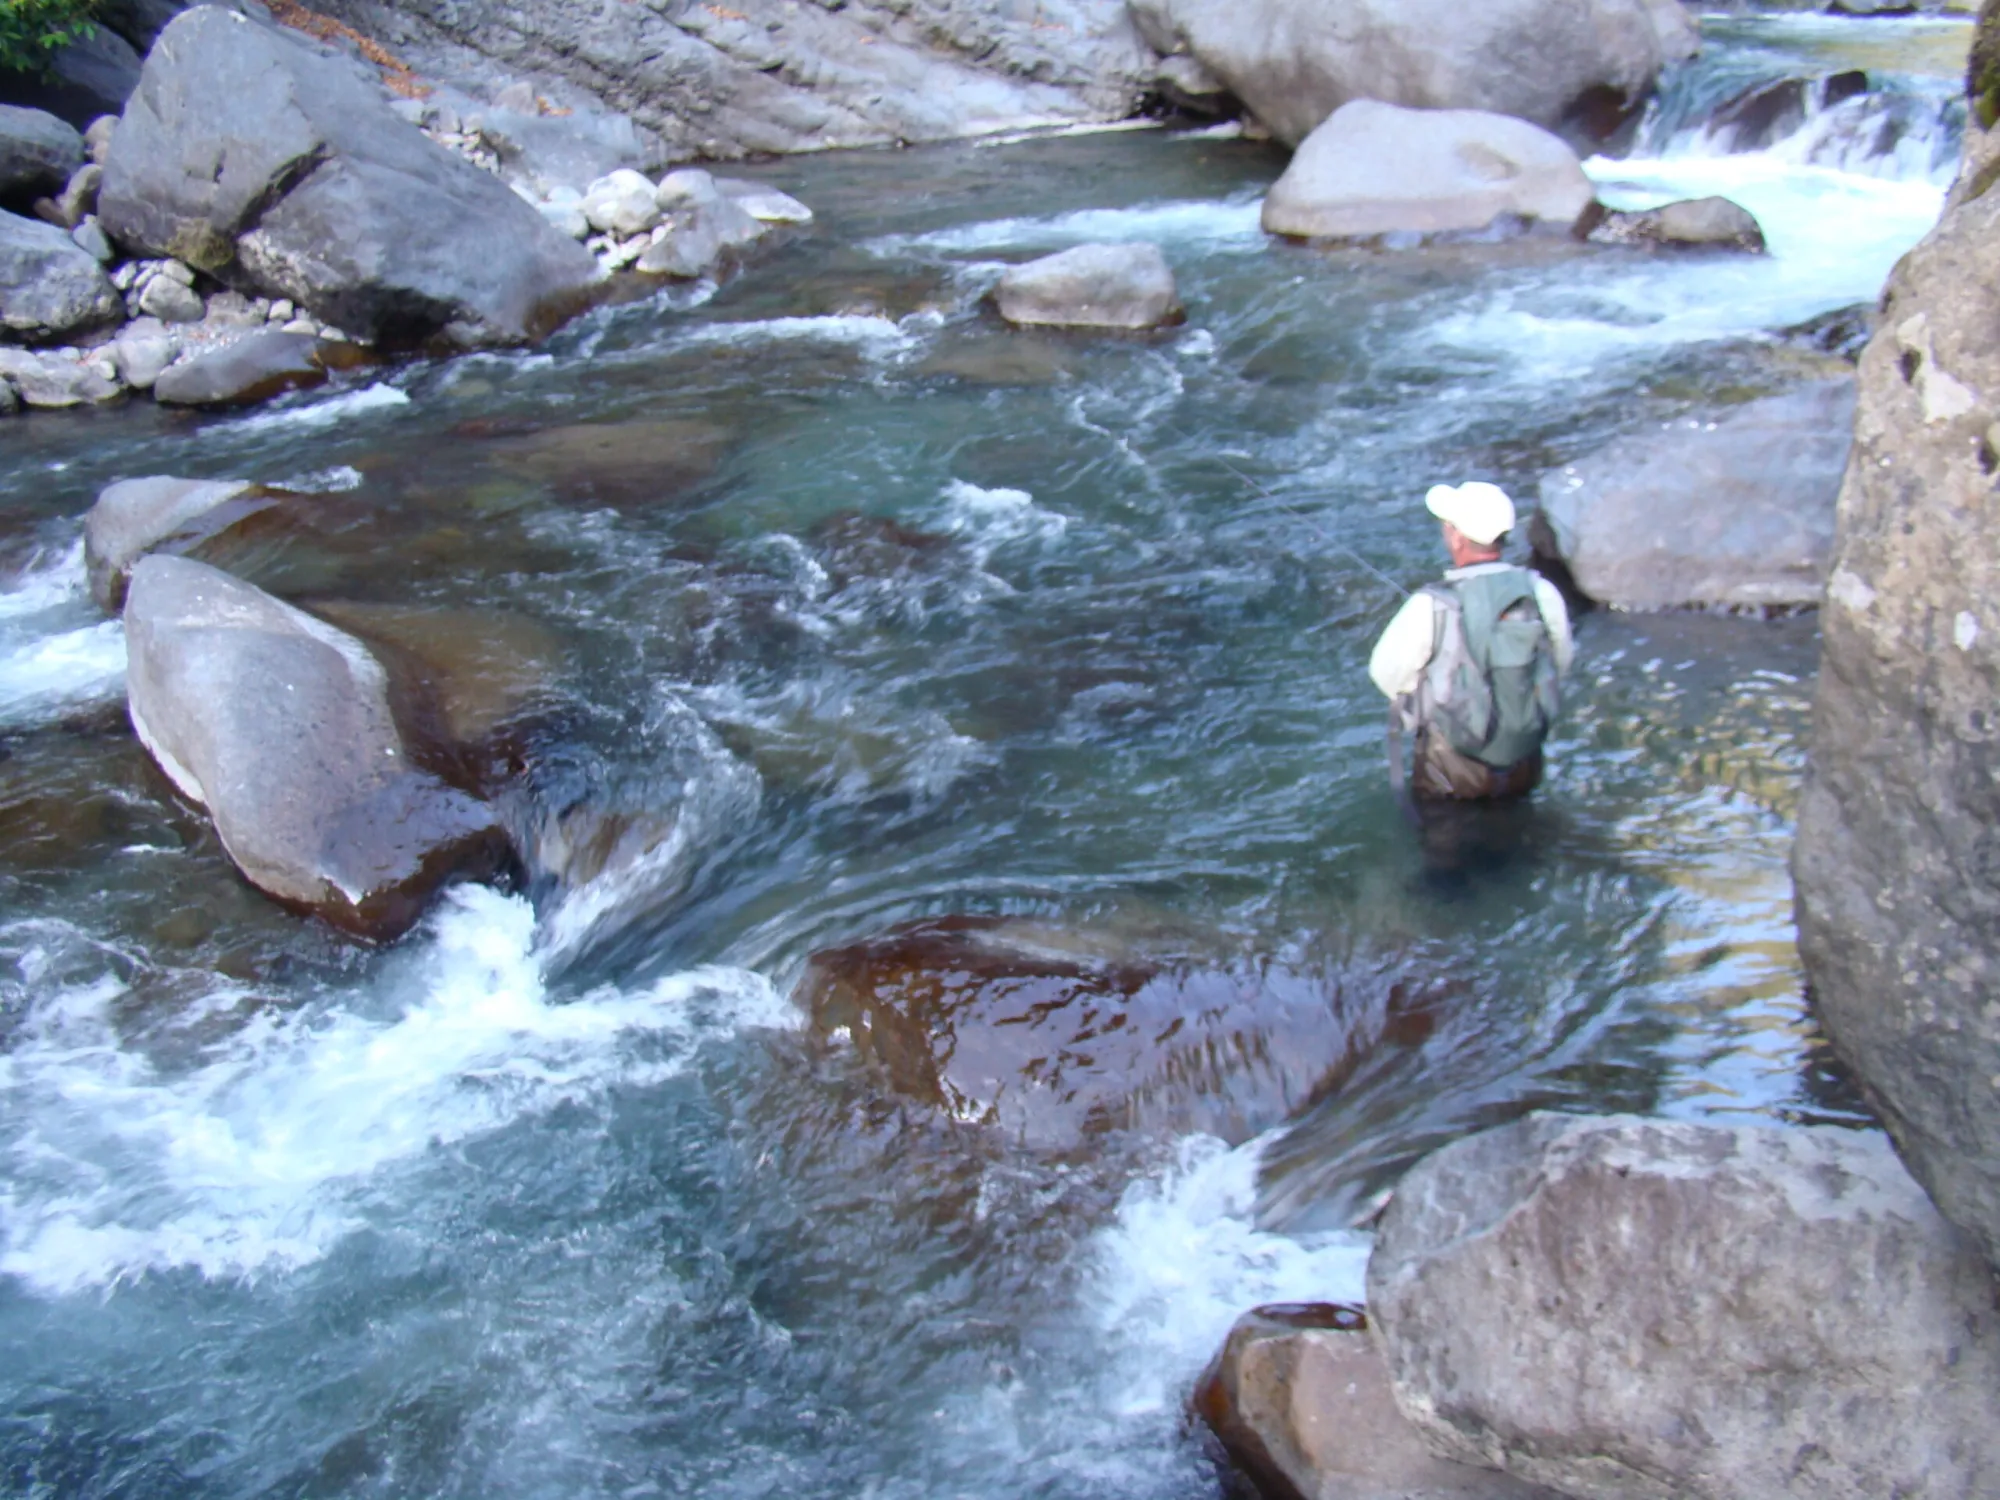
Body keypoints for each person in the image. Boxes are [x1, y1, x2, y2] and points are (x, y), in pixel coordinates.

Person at [1368, 481, 1573, 801]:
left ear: (1457, 537)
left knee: (1448, 844)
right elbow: (1560, 661)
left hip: (1452, 772)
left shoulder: (1430, 604)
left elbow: (1384, 672)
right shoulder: (1540, 591)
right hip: (1524, 762)